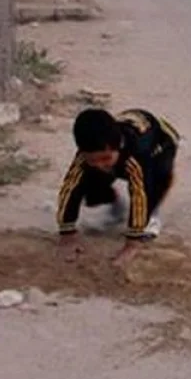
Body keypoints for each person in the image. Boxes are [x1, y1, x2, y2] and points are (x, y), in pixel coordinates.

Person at [56, 108, 180, 266]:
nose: (100, 165)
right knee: (88, 177)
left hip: (160, 144)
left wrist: (132, 243)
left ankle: (150, 217)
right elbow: (70, 188)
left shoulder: (136, 154)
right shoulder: (86, 156)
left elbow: (140, 193)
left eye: (105, 158)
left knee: (154, 182)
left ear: (119, 147)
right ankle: (116, 208)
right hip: (123, 139)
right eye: (92, 160)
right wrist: (67, 235)